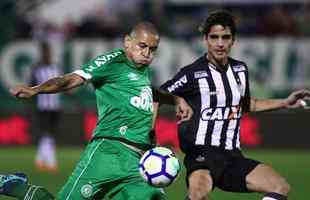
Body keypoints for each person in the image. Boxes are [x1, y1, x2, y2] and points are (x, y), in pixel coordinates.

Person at [0, 22, 193, 200]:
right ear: (127, 41)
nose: (147, 53)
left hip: (137, 165)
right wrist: (36, 89)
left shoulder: (141, 69)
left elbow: (148, 92)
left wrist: (175, 99)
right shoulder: (113, 62)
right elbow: (73, 79)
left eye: (152, 49)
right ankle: (16, 186)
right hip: (108, 154)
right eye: (142, 46)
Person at [159, 10, 310, 200]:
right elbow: (159, 93)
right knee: (198, 194)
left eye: (225, 37)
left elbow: (247, 105)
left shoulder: (240, 70)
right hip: (202, 156)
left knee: (279, 187)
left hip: (232, 157)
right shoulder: (192, 73)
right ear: (206, 39)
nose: (220, 43)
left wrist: (285, 102)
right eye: (214, 37)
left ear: (233, 40)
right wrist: (178, 99)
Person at [30, 41, 62, 172]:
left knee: (49, 134)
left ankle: (39, 160)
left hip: (55, 106)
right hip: (42, 106)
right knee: (47, 134)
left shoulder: (56, 68)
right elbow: (31, 86)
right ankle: (51, 161)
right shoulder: (37, 69)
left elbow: (63, 84)